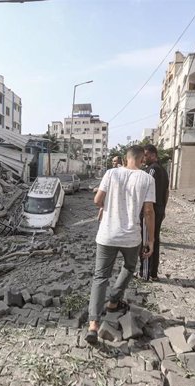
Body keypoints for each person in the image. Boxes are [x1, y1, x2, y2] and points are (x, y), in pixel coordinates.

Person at [86, 145, 155, 345]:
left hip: (107, 235)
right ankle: (114, 301)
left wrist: (106, 205)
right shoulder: (147, 179)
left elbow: (97, 200)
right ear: (142, 159)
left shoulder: (111, 173)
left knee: (100, 277)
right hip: (131, 238)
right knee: (129, 267)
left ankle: (93, 325)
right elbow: (149, 211)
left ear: (126, 158)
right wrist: (151, 240)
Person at [140, 144, 169, 281]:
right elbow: (167, 192)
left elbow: (145, 192)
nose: (143, 158)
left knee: (147, 239)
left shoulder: (151, 170)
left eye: (145, 155)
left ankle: (145, 273)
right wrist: (163, 208)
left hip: (151, 211)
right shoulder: (163, 170)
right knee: (155, 240)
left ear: (152, 155)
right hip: (160, 209)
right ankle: (153, 273)